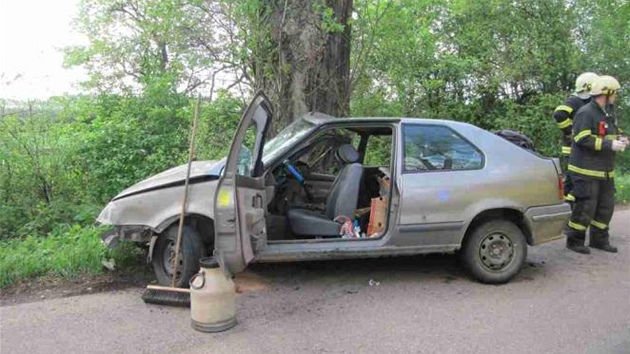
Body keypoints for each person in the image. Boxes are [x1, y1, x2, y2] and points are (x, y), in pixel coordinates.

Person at [565, 75, 628, 254]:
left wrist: (620, 139)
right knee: (585, 207)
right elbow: (581, 138)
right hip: (586, 170)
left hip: (605, 170)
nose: (615, 96)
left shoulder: (607, 112)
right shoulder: (586, 113)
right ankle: (574, 240)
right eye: (614, 93)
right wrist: (610, 144)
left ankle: (599, 240)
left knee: (605, 207)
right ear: (606, 93)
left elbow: (608, 134)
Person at [553, 72, 600, 204]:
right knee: (573, 179)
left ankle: (575, 205)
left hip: (580, 147)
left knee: (577, 179)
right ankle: (569, 207)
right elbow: (559, 114)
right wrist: (569, 132)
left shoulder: (589, 102)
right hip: (573, 148)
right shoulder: (575, 100)